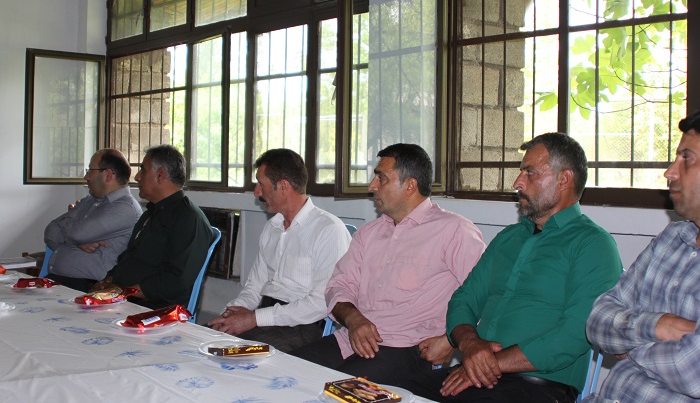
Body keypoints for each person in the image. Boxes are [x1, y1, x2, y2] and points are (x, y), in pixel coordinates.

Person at [407, 132, 622, 403]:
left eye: (530, 173)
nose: (517, 182)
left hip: (541, 384)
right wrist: (470, 344)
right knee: (395, 394)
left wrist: (490, 363)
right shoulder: (509, 238)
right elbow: (464, 300)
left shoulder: (593, 244)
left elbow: (575, 334)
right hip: (473, 373)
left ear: (564, 179)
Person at [291, 143, 486, 387]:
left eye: (381, 178)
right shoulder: (369, 233)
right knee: (286, 374)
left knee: (336, 392)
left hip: (407, 349)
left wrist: (450, 340)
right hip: (350, 339)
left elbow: (485, 294)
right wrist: (354, 319)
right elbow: (338, 285)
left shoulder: (454, 230)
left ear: (410, 186)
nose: (372, 186)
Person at [583, 110, 700, 403]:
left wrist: (628, 347)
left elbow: (691, 371)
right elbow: (597, 321)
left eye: (687, 158)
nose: (670, 172)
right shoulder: (671, 239)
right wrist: (660, 325)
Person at [207, 149, 351, 352]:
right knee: (202, 337)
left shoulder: (328, 230)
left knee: (231, 351)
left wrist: (254, 319)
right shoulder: (272, 227)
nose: (257, 192)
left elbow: (321, 302)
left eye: (261, 184)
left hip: (302, 325)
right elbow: (254, 286)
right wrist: (232, 311)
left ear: (283, 186)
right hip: (264, 316)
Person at [91, 145, 212, 309]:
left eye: (143, 170)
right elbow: (129, 258)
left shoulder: (188, 219)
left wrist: (122, 291)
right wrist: (108, 281)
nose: (137, 177)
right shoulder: (151, 214)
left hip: (154, 310)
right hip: (125, 300)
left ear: (160, 174)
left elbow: (177, 280)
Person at [43, 149, 142, 292]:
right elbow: (49, 232)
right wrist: (76, 241)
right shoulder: (89, 201)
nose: (86, 176)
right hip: (59, 280)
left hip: (88, 287)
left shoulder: (125, 207)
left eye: (90, 170)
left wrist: (70, 230)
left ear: (108, 174)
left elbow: (78, 234)